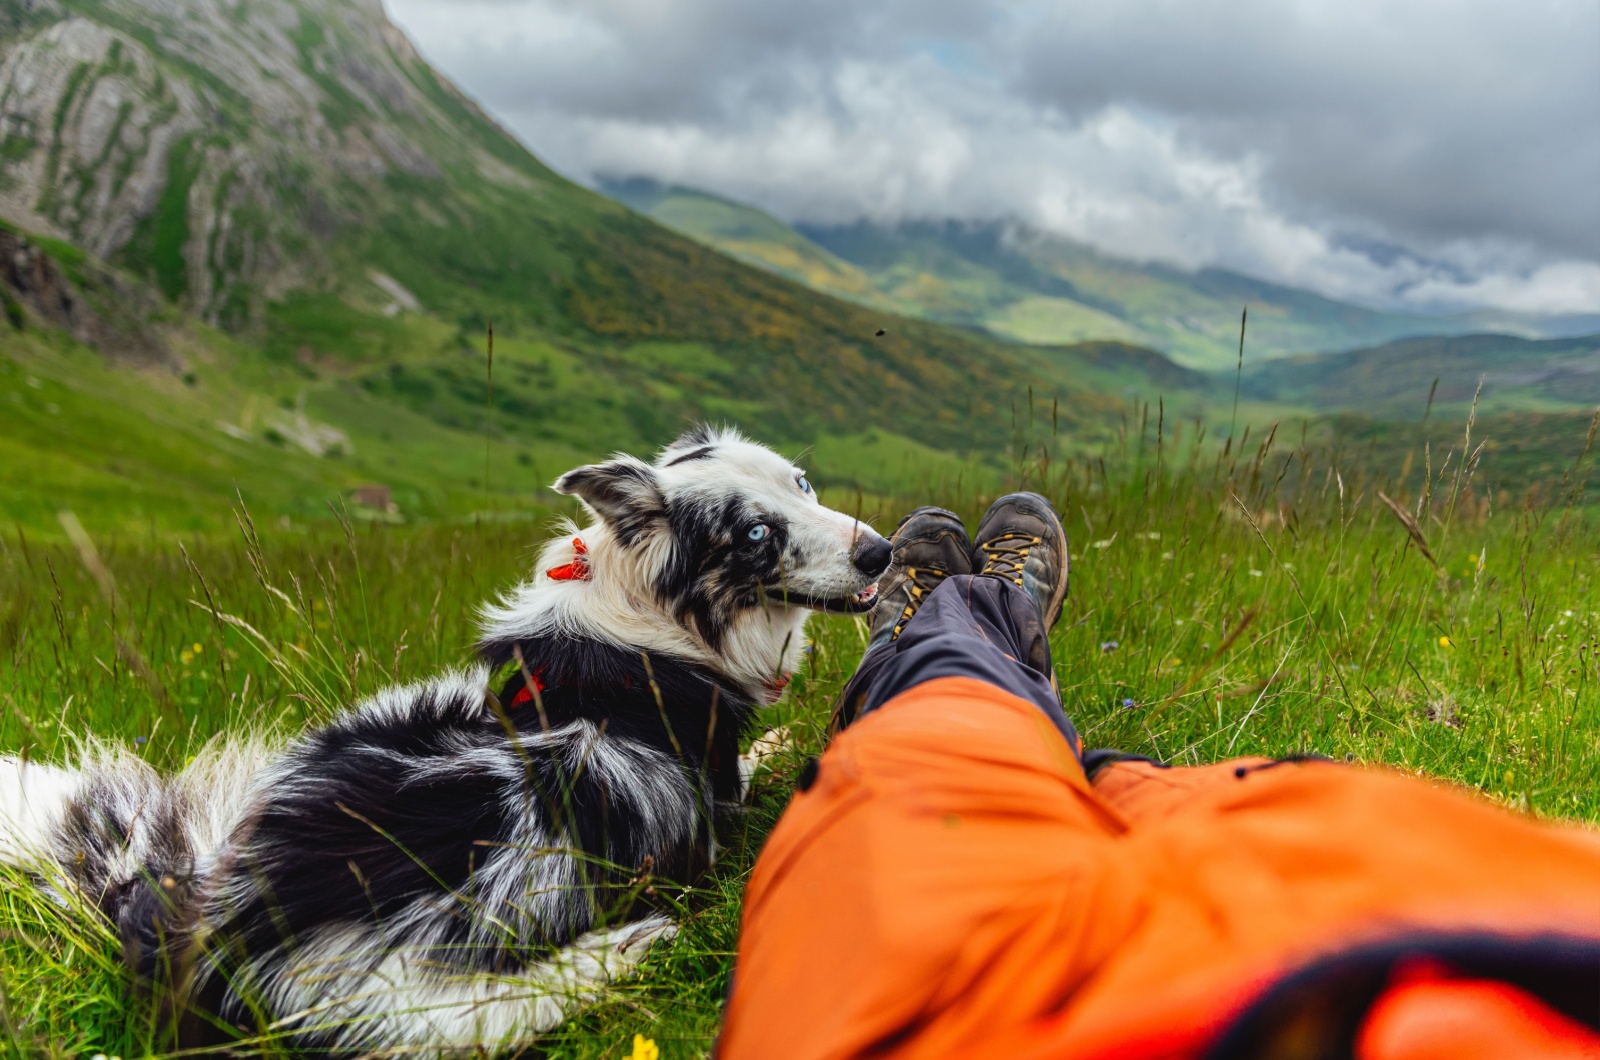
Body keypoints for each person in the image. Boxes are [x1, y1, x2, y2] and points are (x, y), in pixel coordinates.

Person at [718, 494, 1600, 1060]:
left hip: (992, 1013)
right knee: (1182, 796)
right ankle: (1016, 668)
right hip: (1447, 900)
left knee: (943, 754)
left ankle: (938, 645)